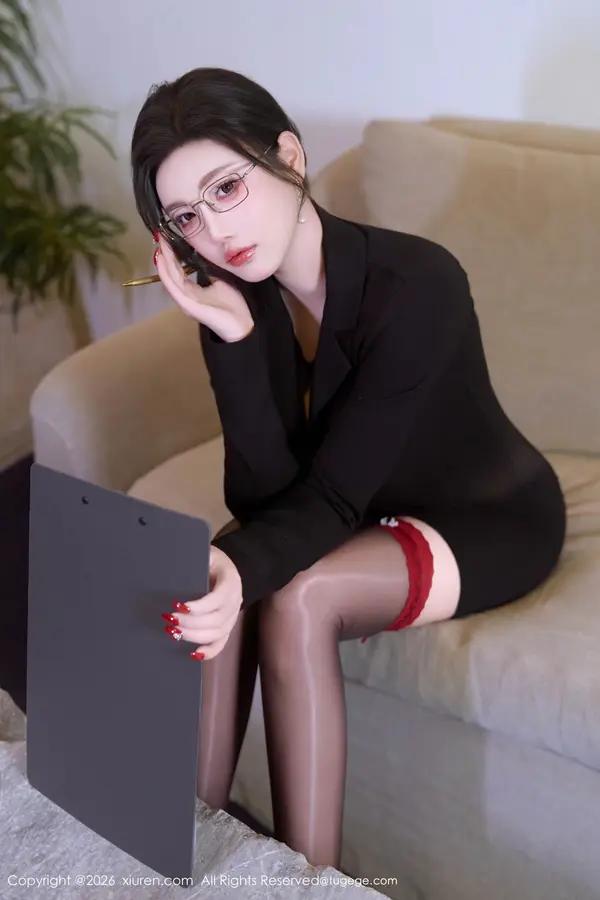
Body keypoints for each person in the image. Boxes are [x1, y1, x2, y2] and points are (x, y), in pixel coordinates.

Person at [130, 67, 566, 869]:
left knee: (298, 593)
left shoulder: (418, 284)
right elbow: (264, 500)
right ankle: (174, 852)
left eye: (226, 188)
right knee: (215, 571)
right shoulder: (244, 298)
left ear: (289, 156)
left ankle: (307, 882)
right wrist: (233, 341)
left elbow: (325, 499)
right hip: (358, 508)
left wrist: (247, 562)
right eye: (186, 217)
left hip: (484, 515)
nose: (215, 231)